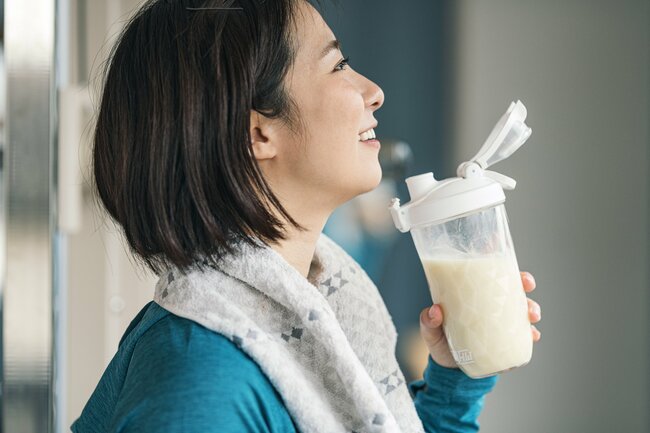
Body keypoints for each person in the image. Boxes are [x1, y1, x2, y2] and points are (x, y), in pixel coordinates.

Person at [72, 0, 542, 432]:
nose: (374, 92)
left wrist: (453, 381)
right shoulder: (203, 389)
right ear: (257, 133)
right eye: (338, 65)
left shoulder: (316, 303)